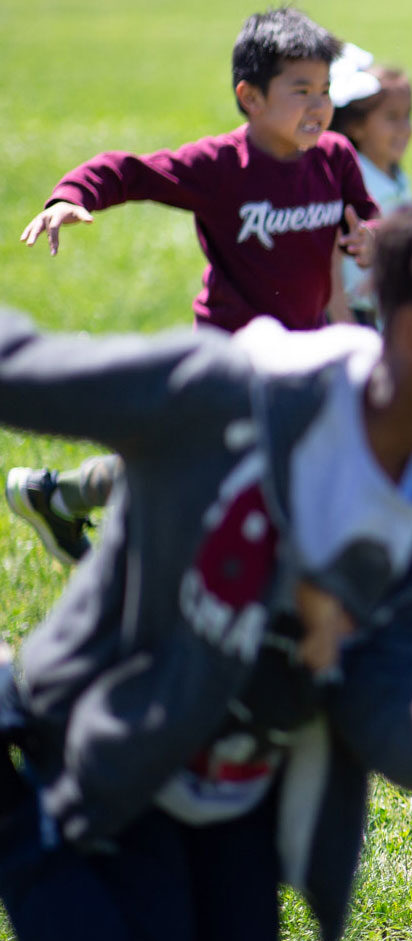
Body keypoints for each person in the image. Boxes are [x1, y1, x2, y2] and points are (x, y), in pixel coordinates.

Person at [0, 185, 412, 941]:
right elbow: (28, 374)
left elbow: (388, 718)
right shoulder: (233, 394)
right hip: (103, 741)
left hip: (232, 798)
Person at [9, 6, 379, 565]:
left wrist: (373, 235)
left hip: (304, 347)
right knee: (210, 466)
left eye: (325, 90)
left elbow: (366, 214)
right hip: (228, 353)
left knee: (216, 462)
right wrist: (72, 197)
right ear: (250, 97)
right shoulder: (221, 166)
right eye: (300, 90)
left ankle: (61, 496)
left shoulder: (335, 156)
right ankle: (83, 509)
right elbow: (128, 170)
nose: (319, 105)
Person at [328, 44, 412, 328]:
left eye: (408, 114)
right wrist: (345, 323)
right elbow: (331, 263)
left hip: (385, 311)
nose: (405, 127)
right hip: (353, 314)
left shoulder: (396, 176)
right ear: (356, 126)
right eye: (392, 117)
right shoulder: (353, 182)